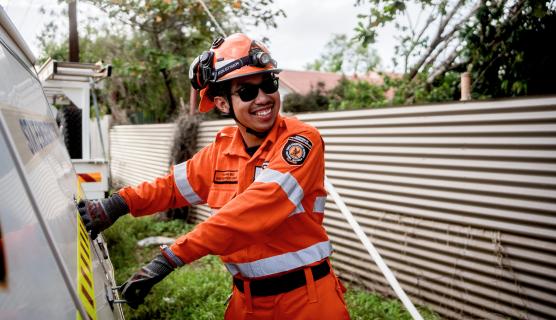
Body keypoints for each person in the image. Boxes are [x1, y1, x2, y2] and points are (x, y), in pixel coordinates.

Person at [79, 33, 350, 319]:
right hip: (246, 303)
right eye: (247, 91)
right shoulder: (222, 150)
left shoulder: (300, 141)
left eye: (268, 84)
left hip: (307, 302)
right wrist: (117, 204)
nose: (263, 98)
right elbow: (171, 188)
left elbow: (254, 209)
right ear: (222, 104)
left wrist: (171, 256)